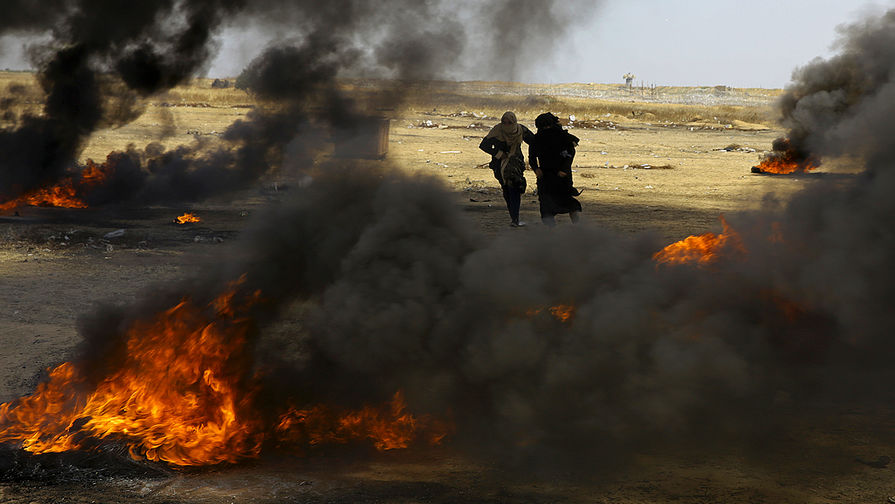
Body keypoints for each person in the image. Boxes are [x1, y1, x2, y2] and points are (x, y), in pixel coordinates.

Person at [479, 111, 534, 227]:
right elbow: (484, 145)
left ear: (514, 122)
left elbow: (534, 142)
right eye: (504, 122)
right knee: (506, 191)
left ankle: (515, 218)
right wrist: (499, 154)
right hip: (500, 165)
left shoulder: (521, 130)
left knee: (515, 188)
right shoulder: (497, 130)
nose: (507, 125)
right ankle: (514, 217)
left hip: (515, 164)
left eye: (510, 122)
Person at [529, 112, 582, 226]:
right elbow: (532, 156)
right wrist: (536, 169)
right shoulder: (537, 138)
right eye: (544, 126)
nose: (546, 129)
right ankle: (551, 233)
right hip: (545, 176)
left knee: (569, 202)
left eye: (548, 126)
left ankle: (578, 228)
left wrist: (564, 169)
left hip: (562, 176)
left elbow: (570, 153)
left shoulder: (562, 136)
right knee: (545, 205)